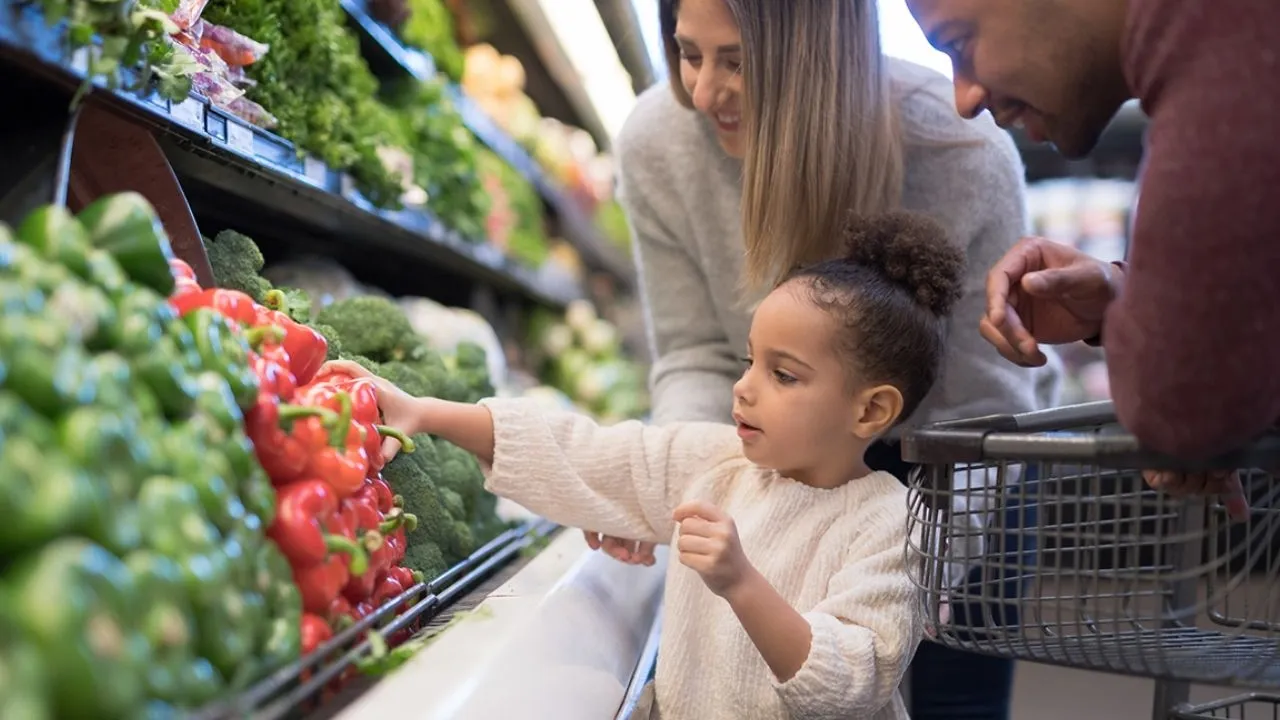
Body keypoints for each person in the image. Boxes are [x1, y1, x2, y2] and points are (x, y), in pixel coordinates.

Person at [589, 0, 1062, 716]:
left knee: (952, 701)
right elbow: (696, 354)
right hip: (779, 460)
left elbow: (978, 407)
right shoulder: (658, 142)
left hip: (954, 466)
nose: (703, 93)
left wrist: (917, 582)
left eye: (738, 62)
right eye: (688, 54)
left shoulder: (959, 151)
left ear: (815, 60)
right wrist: (668, 484)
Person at [324, 212, 967, 720]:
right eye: (748, 361)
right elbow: (590, 453)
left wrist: (741, 580)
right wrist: (430, 413)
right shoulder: (717, 464)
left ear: (870, 410)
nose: (744, 388)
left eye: (783, 375)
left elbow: (849, 683)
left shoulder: (891, 524)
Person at [905, 0, 1278, 505]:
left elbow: (1180, 411)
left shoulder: (1227, 50)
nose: (964, 98)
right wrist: (1124, 295)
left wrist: (1166, 353)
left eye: (958, 42)